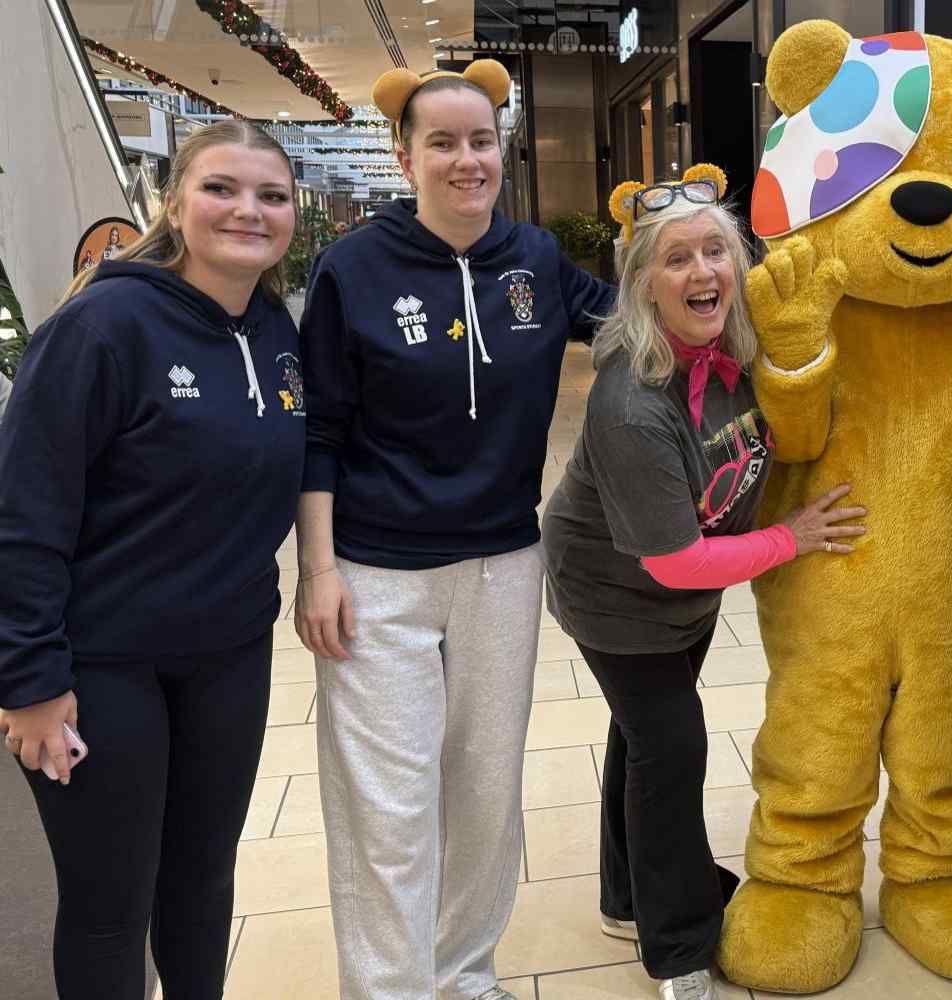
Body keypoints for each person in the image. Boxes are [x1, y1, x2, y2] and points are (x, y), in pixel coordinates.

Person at [294, 60, 614, 1000]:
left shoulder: (536, 258)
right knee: (389, 806)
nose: (466, 160)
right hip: (378, 568)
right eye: (443, 143)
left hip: (503, 564)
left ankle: (462, 972)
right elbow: (318, 427)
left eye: (482, 141)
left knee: (482, 789)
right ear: (405, 155)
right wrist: (317, 570)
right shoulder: (352, 267)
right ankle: (389, 988)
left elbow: (637, 323)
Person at [541, 170, 866, 1000]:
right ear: (644, 283)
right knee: (673, 750)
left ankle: (628, 897)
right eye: (675, 259)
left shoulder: (742, 350)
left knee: (641, 740)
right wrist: (790, 539)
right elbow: (674, 561)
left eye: (715, 250)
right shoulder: (631, 404)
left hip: (683, 594)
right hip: (617, 595)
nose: (702, 273)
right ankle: (678, 948)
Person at [0, 120, 302, 999]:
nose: (247, 210)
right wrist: (27, 679)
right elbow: (24, 511)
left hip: (229, 657)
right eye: (221, 188)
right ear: (173, 202)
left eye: (270, 196)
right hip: (101, 667)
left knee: (202, 885)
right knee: (108, 903)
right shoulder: (101, 325)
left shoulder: (274, 328)